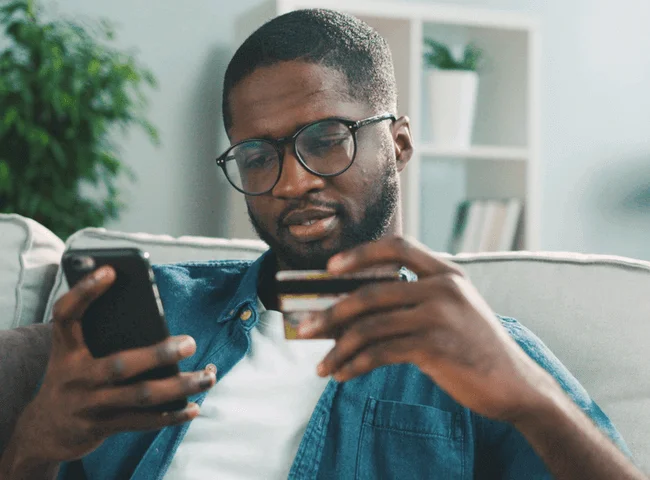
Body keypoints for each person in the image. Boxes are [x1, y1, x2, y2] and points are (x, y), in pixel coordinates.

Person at [0, 8, 646, 480]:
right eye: (258, 154)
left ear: (397, 144)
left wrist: (531, 400)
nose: (293, 180)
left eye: (326, 137)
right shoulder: (159, 314)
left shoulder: (484, 348)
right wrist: (34, 447)